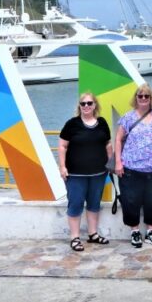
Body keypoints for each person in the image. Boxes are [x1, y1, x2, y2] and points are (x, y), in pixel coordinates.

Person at [114, 83, 152, 248]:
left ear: (151, 99)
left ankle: (151, 231)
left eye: (146, 96)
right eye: (140, 96)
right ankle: (134, 231)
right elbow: (118, 139)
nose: (143, 99)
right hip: (131, 169)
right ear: (135, 98)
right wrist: (118, 162)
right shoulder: (127, 118)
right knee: (131, 200)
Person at [58, 92, 112, 251]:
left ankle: (93, 234)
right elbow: (62, 146)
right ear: (79, 106)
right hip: (75, 175)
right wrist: (62, 167)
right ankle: (74, 237)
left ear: (95, 105)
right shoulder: (71, 124)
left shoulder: (102, 123)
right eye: (83, 104)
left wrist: (111, 163)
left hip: (98, 173)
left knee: (94, 204)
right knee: (75, 204)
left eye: (89, 103)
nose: (86, 106)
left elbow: (108, 144)